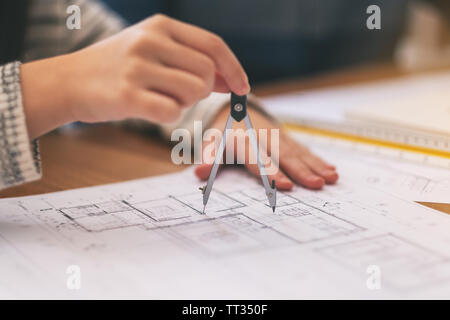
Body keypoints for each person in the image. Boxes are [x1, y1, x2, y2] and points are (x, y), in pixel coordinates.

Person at [0, 0, 338, 192]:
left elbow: (125, 70)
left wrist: (218, 113)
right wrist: (52, 87)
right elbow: (84, 75)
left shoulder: (46, 11)